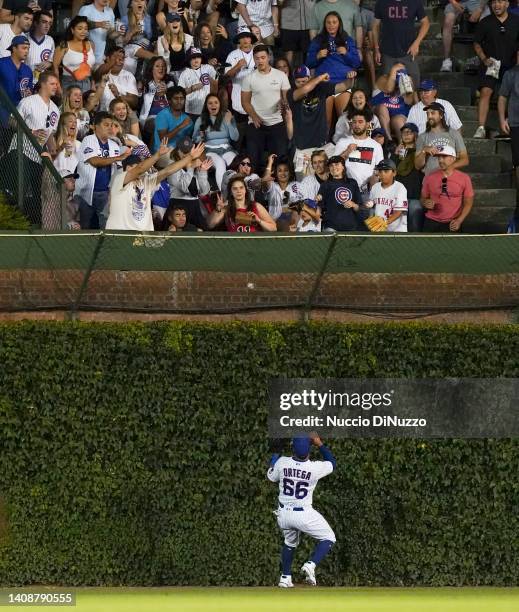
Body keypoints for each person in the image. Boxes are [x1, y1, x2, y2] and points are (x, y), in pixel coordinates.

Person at [267, 435, 336, 588]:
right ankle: (311, 564)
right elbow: (332, 463)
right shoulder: (314, 467)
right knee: (329, 537)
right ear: (309, 450)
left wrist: (276, 453)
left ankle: (285, 577)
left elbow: (271, 476)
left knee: (289, 543)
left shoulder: (283, 462)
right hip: (303, 513)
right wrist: (319, 444)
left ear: (293, 448)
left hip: (284, 514)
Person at [106, 139, 205, 231]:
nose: (137, 169)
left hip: (142, 237)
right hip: (120, 235)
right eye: (132, 166)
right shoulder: (119, 179)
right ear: (126, 168)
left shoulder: (146, 181)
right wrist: (157, 155)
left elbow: (167, 171)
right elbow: (140, 168)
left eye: (138, 166)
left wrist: (190, 157)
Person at [289, 67, 353, 178]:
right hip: (302, 150)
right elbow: (305, 90)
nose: (301, 84)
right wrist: (319, 78)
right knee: (303, 184)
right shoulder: (292, 92)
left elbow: (344, 86)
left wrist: (351, 78)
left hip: (322, 147)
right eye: (298, 82)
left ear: (309, 78)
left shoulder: (320, 88)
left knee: (332, 177)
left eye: (304, 81)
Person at [75, 111, 131, 229]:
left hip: (105, 193)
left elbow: (118, 171)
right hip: (85, 193)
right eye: (106, 125)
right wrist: (118, 157)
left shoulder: (114, 145)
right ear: (96, 126)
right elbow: (95, 161)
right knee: (85, 227)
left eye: (111, 125)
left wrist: (114, 193)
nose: (110, 128)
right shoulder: (88, 139)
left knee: (105, 227)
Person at [473, 0, 519, 138]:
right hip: (491, 65)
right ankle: (481, 128)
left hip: (511, 66)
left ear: (506, 4)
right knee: (486, 91)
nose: (496, 5)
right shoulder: (485, 22)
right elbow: (476, 43)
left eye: (499, 2)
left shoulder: (516, 21)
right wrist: (484, 59)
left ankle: (510, 126)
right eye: (494, 2)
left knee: (511, 94)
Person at [241, 44, 291, 171]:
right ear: (254, 59)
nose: (260, 61)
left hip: (277, 122)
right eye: (257, 58)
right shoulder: (249, 78)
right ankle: (254, 185)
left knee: (281, 159)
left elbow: (286, 98)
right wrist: (254, 116)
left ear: (269, 57)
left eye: (263, 57)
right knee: (253, 159)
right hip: (256, 123)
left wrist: (283, 103)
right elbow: (245, 102)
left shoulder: (280, 75)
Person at [306, 11, 360, 117]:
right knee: (325, 121)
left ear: (339, 23)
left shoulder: (347, 40)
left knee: (344, 118)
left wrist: (346, 53)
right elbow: (308, 63)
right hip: (323, 84)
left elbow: (357, 63)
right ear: (324, 24)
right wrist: (317, 56)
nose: (331, 25)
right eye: (328, 22)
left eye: (334, 22)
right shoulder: (318, 40)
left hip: (343, 83)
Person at [334, 109, 384, 212]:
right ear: (351, 124)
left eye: (360, 122)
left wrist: (373, 188)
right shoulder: (343, 142)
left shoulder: (376, 146)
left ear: (368, 124)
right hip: (344, 191)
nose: (357, 125)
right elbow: (333, 166)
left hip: (366, 193)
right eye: (354, 122)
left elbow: (379, 171)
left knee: (366, 225)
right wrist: (347, 152)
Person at [372, 0, 430, 88]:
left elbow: (426, 23)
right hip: (387, 52)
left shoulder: (415, 2)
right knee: (385, 88)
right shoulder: (381, 2)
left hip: (408, 51)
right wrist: (376, 48)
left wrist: (416, 43)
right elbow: (375, 25)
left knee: (414, 86)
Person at [420, 145, 474, 232]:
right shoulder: (430, 177)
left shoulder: (464, 178)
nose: (440, 160)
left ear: (453, 158)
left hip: (452, 223)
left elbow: (468, 203)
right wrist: (425, 202)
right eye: (439, 157)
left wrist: (459, 220)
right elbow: (422, 198)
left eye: (444, 157)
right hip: (431, 222)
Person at [164, 135, 213, 228]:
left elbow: (204, 192)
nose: (186, 154)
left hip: (194, 206)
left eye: (188, 151)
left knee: (203, 237)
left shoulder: (195, 163)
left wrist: (202, 172)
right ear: (177, 150)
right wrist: (190, 168)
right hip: (177, 206)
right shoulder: (172, 165)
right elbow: (183, 188)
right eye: (183, 151)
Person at [192, 94, 239, 188]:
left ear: (220, 104)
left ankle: (238, 191)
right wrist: (201, 137)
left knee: (237, 163)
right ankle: (224, 195)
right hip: (209, 151)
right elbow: (194, 138)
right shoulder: (201, 119)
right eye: (210, 103)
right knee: (220, 163)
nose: (213, 105)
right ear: (206, 106)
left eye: (216, 102)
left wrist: (229, 122)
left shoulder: (227, 117)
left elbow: (235, 137)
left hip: (226, 149)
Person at [207, 174, 277, 231]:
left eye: (241, 187)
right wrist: (217, 210)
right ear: (231, 192)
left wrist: (259, 221)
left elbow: (274, 228)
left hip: (254, 244)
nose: (239, 191)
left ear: (245, 190)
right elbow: (210, 225)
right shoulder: (226, 209)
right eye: (235, 188)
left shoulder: (256, 206)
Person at [414, 102, 469, 175]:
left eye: (433, 113)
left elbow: (465, 160)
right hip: (431, 180)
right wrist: (424, 151)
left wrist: (450, 167)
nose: (429, 116)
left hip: (450, 178)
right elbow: (417, 166)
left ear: (441, 115)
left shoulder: (454, 134)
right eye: (428, 114)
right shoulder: (422, 137)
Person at [224, 27, 257, 137]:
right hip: (239, 101)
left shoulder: (258, 53)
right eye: (242, 37)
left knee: (255, 135)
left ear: (251, 39)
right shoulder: (232, 55)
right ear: (239, 40)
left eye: (247, 36)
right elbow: (226, 77)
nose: (245, 40)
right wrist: (237, 66)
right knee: (240, 137)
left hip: (257, 101)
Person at [390, 122, 424, 231]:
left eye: (410, 132)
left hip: (415, 195)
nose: (406, 134)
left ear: (415, 135)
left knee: (414, 227)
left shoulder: (421, 152)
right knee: (397, 228)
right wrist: (396, 153)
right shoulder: (396, 152)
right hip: (398, 197)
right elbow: (390, 171)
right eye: (404, 132)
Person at [371, 63, 416, 141]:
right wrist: (394, 71)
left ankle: (403, 147)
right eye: (397, 72)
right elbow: (389, 88)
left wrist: (408, 88)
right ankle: (389, 141)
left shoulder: (406, 82)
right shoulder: (383, 79)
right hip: (380, 118)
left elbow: (409, 102)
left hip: (398, 118)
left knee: (398, 120)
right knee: (382, 108)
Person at [440, 0, 488, 72]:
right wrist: (453, 2)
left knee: (485, 20)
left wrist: (480, 8)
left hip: (478, 2)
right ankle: (447, 60)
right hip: (457, 2)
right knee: (448, 21)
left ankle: (485, 58)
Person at [317, 154, 362, 230]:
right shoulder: (325, 185)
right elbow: (319, 207)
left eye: (337, 164)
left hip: (351, 227)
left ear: (343, 167)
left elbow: (360, 208)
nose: (334, 167)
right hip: (331, 227)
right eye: (331, 165)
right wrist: (316, 200)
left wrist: (353, 204)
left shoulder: (352, 183)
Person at [52, 16, 96, 94]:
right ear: (72, 30)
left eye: (86, 29)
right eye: (80, 28)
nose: (83, 31)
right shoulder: (64, 45)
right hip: (69, 83)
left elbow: (91, 68)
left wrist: (92, 83)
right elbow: (55, 68)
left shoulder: (91, 44)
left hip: (87, 83)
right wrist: (58, 87)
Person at [498, 62, 519, 220]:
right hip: (516, 123)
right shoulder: (511, 74)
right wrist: (501, 119)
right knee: (518, 163)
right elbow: (502, 97)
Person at [368, 158, 408, 232]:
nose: (382, 174)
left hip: (397, 231)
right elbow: (372, 206)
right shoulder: (375, 187)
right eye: (380, 171)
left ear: (394, 173)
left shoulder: (400, 188)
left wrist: (384, 223)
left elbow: (399, 211)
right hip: (379, 229)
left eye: (386, 171)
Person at [95, 47, 139, 111]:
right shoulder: (101, 70)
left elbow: (134, 102)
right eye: (116, 56)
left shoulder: (129, 75)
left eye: (122, 58)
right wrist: (114, 61)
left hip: (122, 114)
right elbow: (98, 73)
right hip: (104, 114)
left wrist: (118, 95)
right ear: (107, 58)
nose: (120, 59)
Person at [178, 47, 218, 118]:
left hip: (207, 108)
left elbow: (216, 81)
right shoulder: (184, 73)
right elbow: (180, 93)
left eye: (198, 57)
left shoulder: (208, 68)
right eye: (193, 57)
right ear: (188, 60)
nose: (196, 59)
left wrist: (216, 67)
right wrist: (193, 88)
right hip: (192, 110)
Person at [0, 35, 33, 123]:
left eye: (28, 49)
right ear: (14, 48)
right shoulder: (1, 63)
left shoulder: (28, 70)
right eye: (24, 48)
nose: (26, 51)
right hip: (2, 110)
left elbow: (29, 92)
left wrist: (28, 93)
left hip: (19, 114)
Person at [153, 85, 193, 156]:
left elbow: (189, 138)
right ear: (169, 100)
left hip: (181, 150)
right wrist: (181, 126)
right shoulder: (162, 115)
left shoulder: (187, 118)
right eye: (176, 98)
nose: (179, 101)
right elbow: (163, 139)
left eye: (182, 98)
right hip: (163, 151)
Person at [156, 11, 193, 80]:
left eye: (177, 20)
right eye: (171, 21)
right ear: (167, 24)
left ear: (180, 24)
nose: (175, 23)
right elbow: (163, 65)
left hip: (187, 75)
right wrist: (166, 50)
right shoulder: (161, 40)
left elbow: (192, 60)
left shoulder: (189, 39)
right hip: (170, 76)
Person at [78, 0, 117, 66]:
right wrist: (99, 24)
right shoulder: (86, 9)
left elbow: (110, 35)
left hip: (101, 57)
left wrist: (118, 33)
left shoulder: (110, 11)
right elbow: (80, 26)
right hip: (84, 55)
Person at [279, 0, 314, 66]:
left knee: (309, 53)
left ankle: (308, 75)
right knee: (289, 53)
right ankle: (289, 75)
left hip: (309, 23)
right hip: (289, 24)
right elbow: (279, 2)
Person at [26, 9, 54, 83]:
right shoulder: (24, 38)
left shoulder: (50, 40)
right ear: (35, 23)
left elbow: (52, 61)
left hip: (43, 82)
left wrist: (49, 63)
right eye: (44, 22)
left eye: (50, 23)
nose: (47, 26)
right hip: (25, 80)